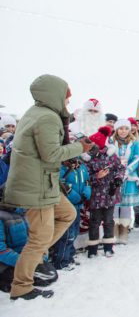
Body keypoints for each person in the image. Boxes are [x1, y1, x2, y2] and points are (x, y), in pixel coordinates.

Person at [3, 74, 93, 300]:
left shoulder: (37, 113)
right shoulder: (47, 118)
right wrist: (79, 147)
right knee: (38, 239)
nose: (67, 103)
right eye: (66, 98)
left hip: (43, 183)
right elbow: (51, 154)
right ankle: (21, 285)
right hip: (37, 187)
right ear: (55, 95)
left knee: (67, 214)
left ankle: (35, 256)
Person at [84, 126, 125, 258]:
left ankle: (108, 247)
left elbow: (120, 168)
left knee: (108, 220)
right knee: (94, 222)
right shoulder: (88, 159)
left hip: (110, 193)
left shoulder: (110, 156)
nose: (92, 145)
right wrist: (96, 177)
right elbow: (85, 177)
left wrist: (118, 179)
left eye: (94, 143)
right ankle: (93, 248)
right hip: (95, 195)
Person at [50, 157, 91, 270]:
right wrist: (75, 197)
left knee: (75, 232)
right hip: (67, 205)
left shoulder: (82, 166)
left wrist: (85, 194)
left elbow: (87, 181)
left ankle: (69, 256)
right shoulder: (62, 167)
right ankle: (60, 260)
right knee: (67, 234)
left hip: (78, 205)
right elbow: (61, 185)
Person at [111, 119, 139, 244]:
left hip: (128, 177)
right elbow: (109, 156)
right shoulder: (111, 141)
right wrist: (117, 168)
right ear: (116, 130)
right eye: (121, 128)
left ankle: (123, 233)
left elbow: (137, 158)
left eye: (126, 128)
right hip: (114, 176)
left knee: (125, 206)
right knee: (114, 205)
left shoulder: (134, 142)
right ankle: (113, 233)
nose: (123, 131)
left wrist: (127, 170)